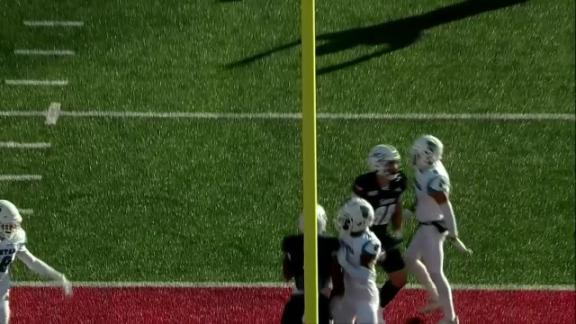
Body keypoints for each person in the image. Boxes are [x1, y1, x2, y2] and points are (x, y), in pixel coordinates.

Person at [404, 135, 472, 324]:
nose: (413, 156)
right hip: (425, 225)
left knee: (436, 272)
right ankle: (434, 296)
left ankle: (451, 318)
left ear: (427, 156)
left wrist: (454, 235)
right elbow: (421, 194)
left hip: (433, 229)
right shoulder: (424, 170)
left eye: (417, 153)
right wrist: (411, 210)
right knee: (409, 259)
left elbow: (446, 207)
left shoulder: (435, 178)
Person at [351, 144, 407, 321]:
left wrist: (397, 229)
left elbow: (397, 205)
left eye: (396, 163)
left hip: (382, 232)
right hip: (364, 233)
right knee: (361, 280)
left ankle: (377, 308)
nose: (395, 168)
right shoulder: (364, 184)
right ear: (378, 164)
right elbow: (354, 215)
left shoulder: (399, 182)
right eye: (391, 164)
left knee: (399, 278)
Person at [0, 200, 72, 324]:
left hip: (1, 283)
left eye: (13, 226)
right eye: (8, 226)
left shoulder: (16, 238)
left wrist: (57, 276)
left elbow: (31, 261)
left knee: (4, 318)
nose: (12, 230)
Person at [280, 204, 340, 324]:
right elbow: (337, 277)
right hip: (322, 299)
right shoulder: (332, 244)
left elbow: (287, 275)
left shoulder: (291, 243)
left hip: (298, 298)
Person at [331, 197, 383, 324]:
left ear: (359, 223)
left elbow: (364, 276)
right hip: (347, 294)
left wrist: (344, 263)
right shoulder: (345, 233)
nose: (343, 221)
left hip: (365, 295)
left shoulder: (371, 243)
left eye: (347, 219)